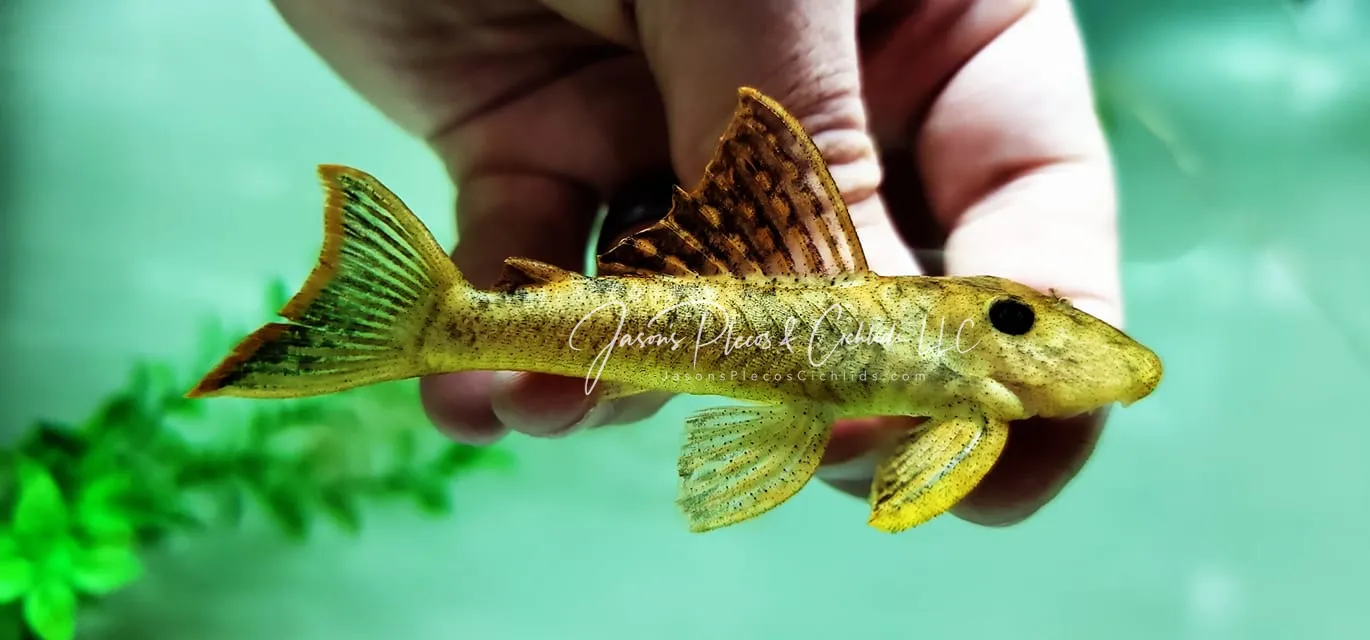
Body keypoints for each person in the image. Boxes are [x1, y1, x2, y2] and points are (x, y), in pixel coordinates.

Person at [271, 0, 1122, 527]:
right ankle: (431, 322)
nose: (1031, 324)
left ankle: (431, 323)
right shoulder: (966, 395)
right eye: (1015, 315)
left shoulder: (979, 412)